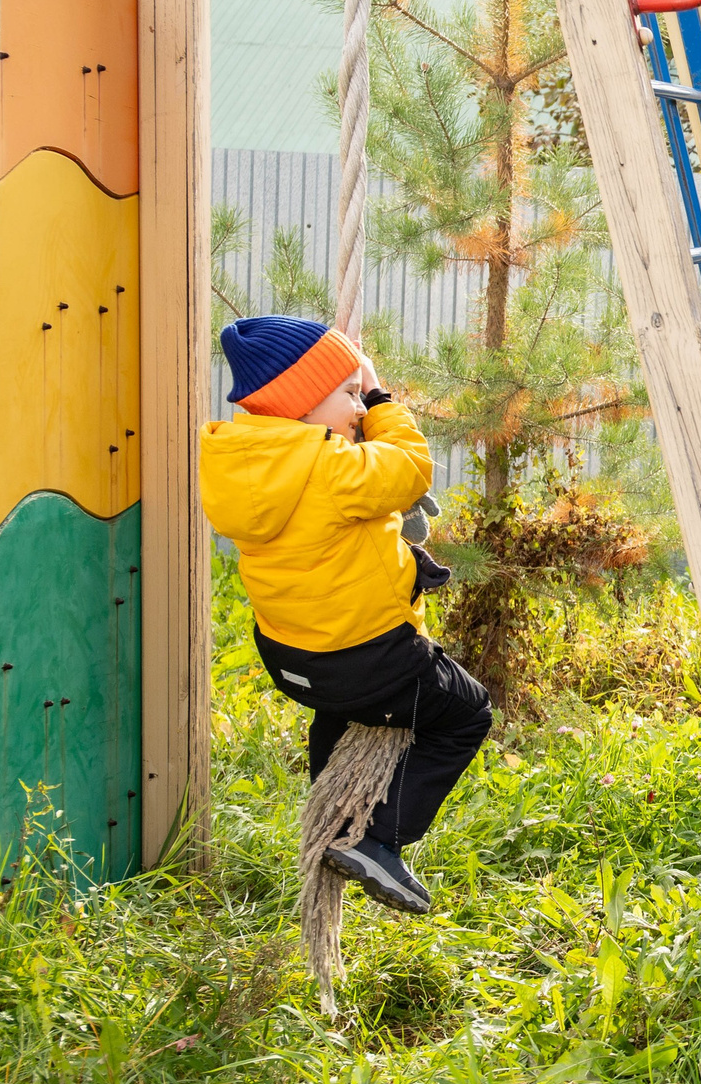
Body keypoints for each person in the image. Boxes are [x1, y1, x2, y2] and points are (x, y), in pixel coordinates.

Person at [199, 316, 491, 915]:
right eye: (349, 395)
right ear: (303, 404)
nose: (359, 410)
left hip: (292, 661)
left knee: (341, 715)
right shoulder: (332, 470)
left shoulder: (238, 465)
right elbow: (411, 465)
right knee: (465, 715)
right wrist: (384, 398)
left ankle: (331, 814)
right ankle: (375, 838)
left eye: (361, 396)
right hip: (370, 659)